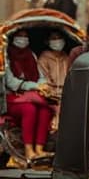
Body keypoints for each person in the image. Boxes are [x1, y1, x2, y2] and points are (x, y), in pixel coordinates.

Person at [4, 29, 54, 165]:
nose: (23, 39)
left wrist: (42, 85)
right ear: (13, 38)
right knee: (29, 109)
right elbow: (11, 82)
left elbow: (41, 77)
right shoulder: (6, 55)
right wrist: (34, 86)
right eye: (19, 36)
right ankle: (28, 150)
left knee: (45, 110)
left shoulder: (31, 54)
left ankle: (39, 149)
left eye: (25, 36)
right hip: (12, 98)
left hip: (31, 95)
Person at [37, 29, 72, 132]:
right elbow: (44, 81)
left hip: (66, 94)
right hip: (50, 96)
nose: (57, 41)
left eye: (59, 38)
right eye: (53, 38)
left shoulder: (67, 58)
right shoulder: (44, 58)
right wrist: (54, 95)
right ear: (48, 42)